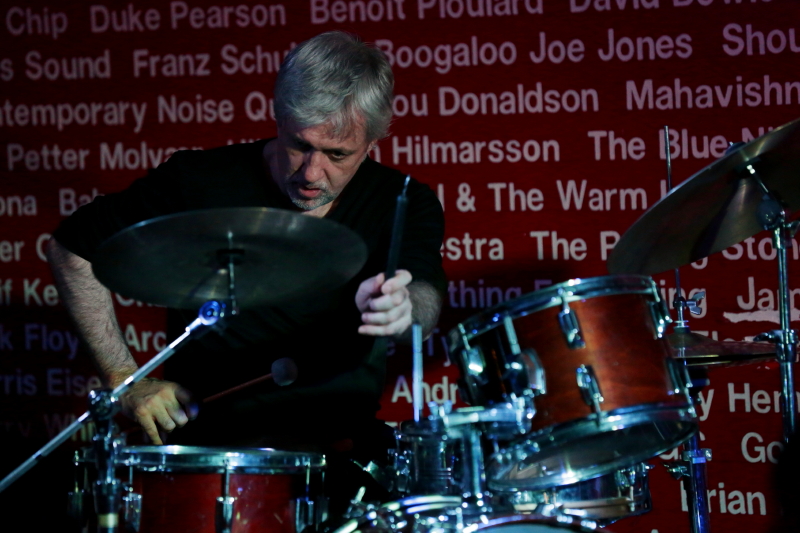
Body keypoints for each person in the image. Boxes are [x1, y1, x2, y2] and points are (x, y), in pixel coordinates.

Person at [47, 31, 446, 509]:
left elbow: (425, 299)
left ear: (373, 140)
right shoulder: (197, 181)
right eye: (299, 145)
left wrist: (403, 309)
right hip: (210, 459)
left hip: (342, 454)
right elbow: (72, 248)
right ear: (278, 117)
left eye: (337, 154)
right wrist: (124, 378)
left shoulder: (404, 200)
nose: (311, 172)